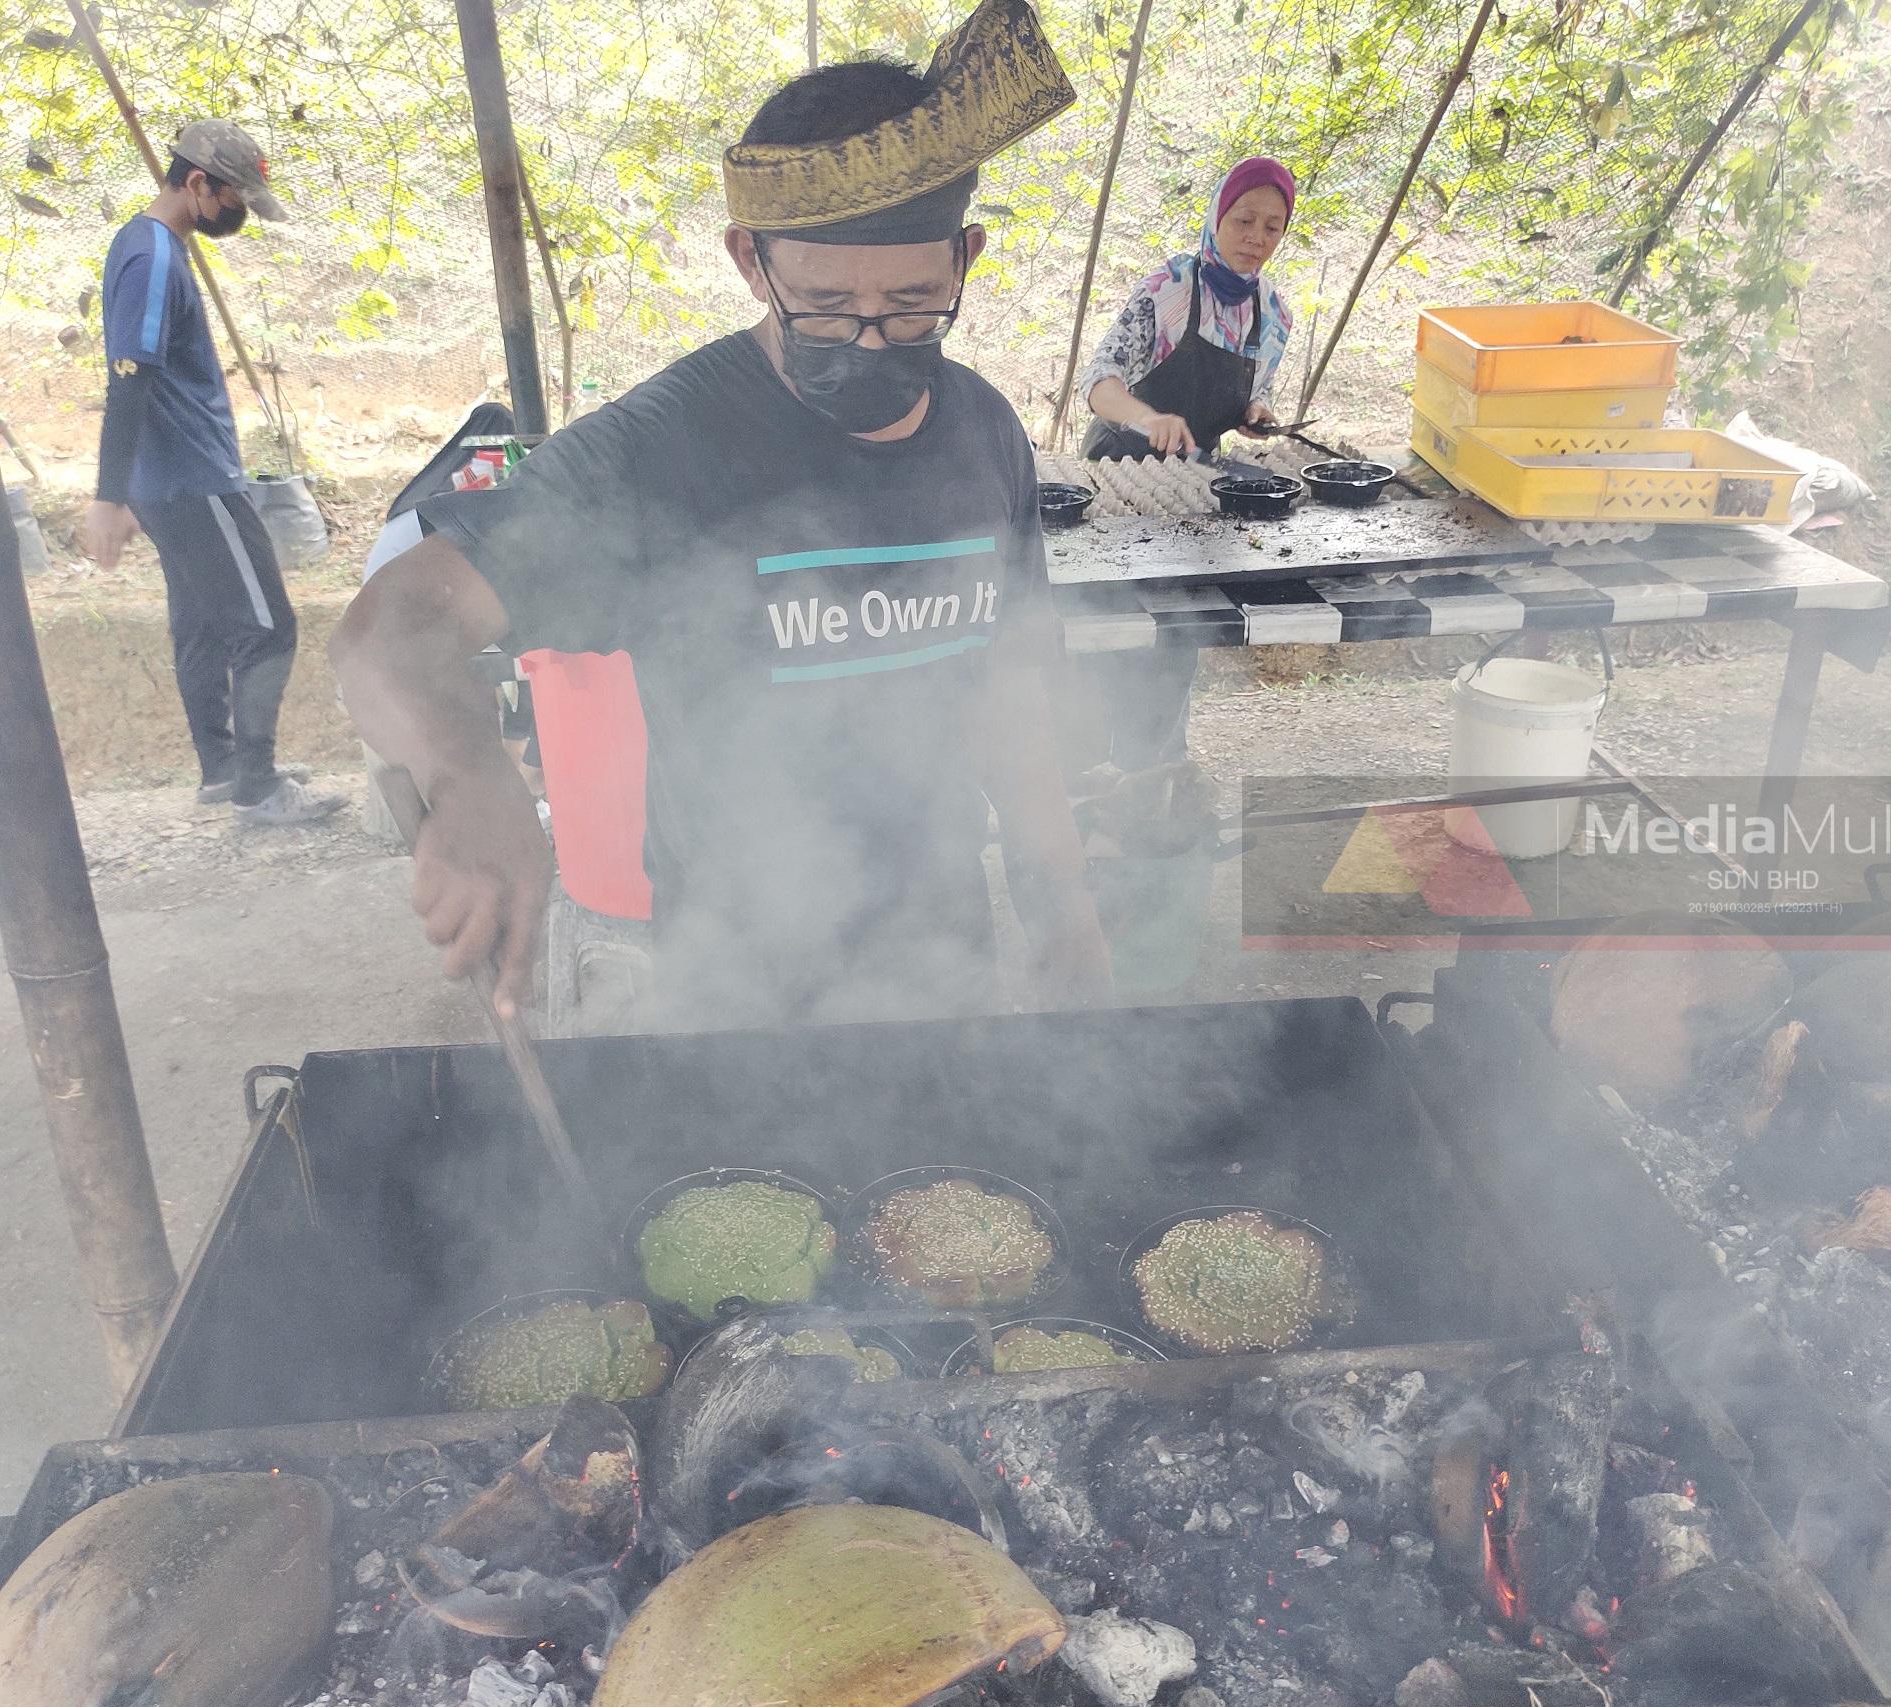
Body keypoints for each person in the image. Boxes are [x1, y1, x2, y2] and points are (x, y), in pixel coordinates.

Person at [332, 0, 1109, 1034]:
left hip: (941, 966)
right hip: (737, 992)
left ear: (966, 258)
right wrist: (472, 776)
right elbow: (388, 636)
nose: (873, 341)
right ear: (751, 261)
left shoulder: (985, 432)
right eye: (828, 305)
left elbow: (1010, 688)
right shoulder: (661, 451)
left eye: (914, 302)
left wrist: (1061, 908)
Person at [82, 120, 345, 826]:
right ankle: (258, 787)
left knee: (202, 622)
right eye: (236, 199)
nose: (240, 215)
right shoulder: (155, 259)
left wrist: (133, 490)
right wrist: (109, 497)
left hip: (168, 482)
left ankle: (223, 769)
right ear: (198, 183)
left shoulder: (144, 246)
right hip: (193, 479)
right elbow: (129, 379)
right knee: (269, 626)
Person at [1076, 156, 1297, 769]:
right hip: (1117, 479)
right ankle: (1090, 764)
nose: (1256, 238)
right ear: (1217, 218)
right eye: (1244, 220)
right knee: (1109, 628)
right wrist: (1147, 418)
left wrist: (1257, 411)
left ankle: (1155, 765)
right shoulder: (1169, 290)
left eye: (1272, 226)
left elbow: (1259, 389)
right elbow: (1099, 382)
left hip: (1193, 493)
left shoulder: (1271, 314)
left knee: (1177, 631)